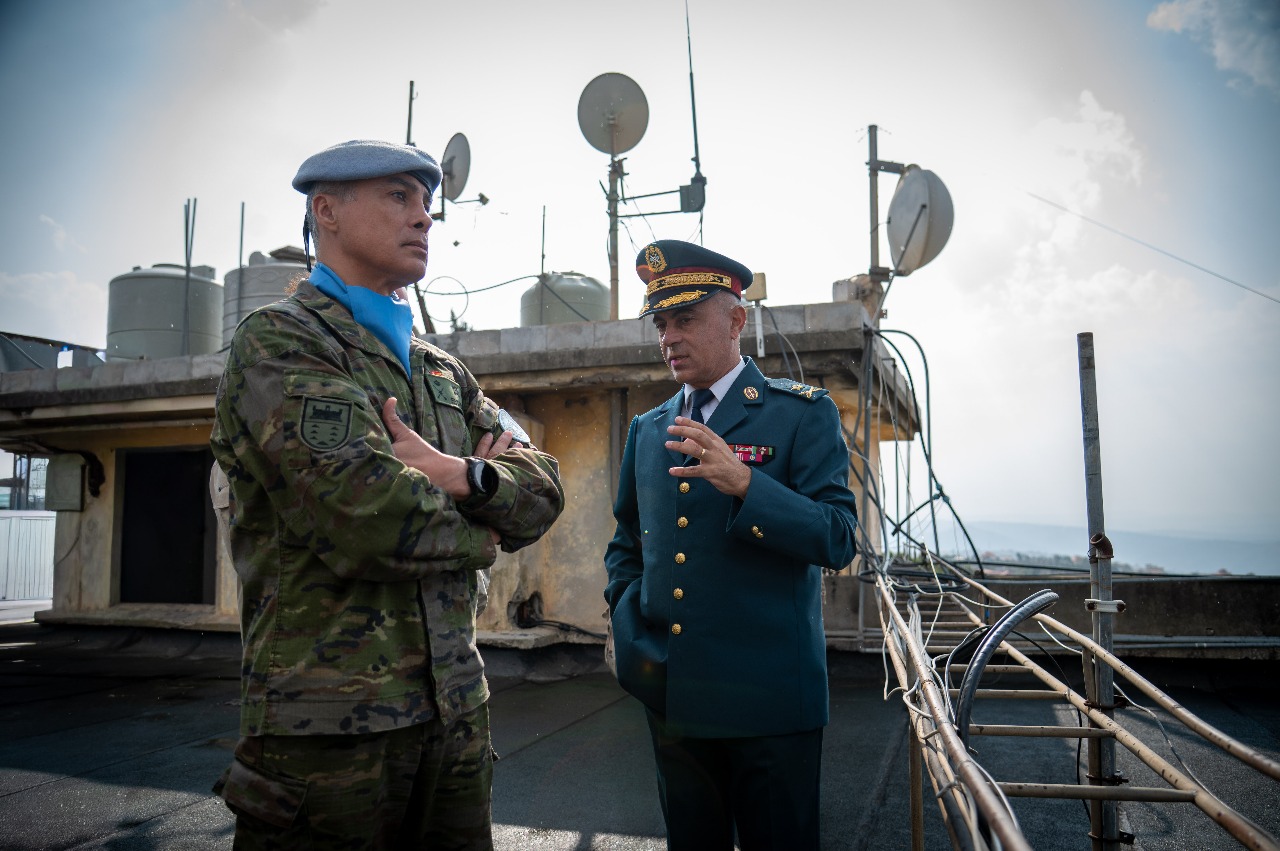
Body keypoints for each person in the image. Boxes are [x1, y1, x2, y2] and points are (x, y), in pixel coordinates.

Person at [211, 139, 565, 850]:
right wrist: (488, 531)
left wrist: (463, 475)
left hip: (456, 714)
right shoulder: (282, 342)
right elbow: (367, 515)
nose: (424, 217)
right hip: (330, 733)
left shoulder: (442, 371)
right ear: (327, 211)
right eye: (399, 196)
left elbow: (545, 488)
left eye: (426, 202)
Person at [603, 239, 858, 851]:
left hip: (770, 703)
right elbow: (628, 543)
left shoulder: (800, 414)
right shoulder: (649, 428)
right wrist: (628, 625)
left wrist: (747, 484)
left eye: (685, 320)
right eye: (661, 324)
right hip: (674, 697)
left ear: (736, 320)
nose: (669, 337)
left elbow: (838, 537)